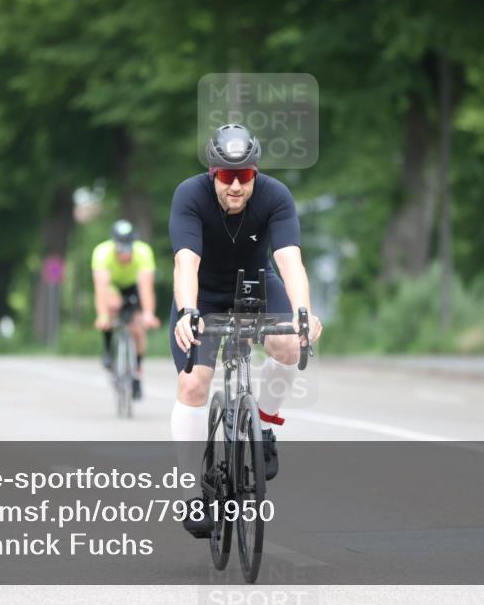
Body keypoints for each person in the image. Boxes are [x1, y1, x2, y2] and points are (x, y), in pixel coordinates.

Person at [168, 123, 323, 536]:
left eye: (245, 176)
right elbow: (186, 263)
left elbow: (290, 260)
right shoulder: (189, 195)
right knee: (193, 386)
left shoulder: (276, 196)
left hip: (255, 284)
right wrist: (187, 311)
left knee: (291, 345)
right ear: (211, 174)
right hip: (202, 294)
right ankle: (192, 497)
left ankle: (265, 424)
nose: (235, 186)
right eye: (225, 176)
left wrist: (304, 311)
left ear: (256, 172)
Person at [91, 220, 161, 399]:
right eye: (120, 248)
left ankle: (136, 374)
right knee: (112, 305)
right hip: (113, 285)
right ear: (114, 244)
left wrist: (148, 314)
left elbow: (146, 288)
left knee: (137, 328)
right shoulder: (102, 253)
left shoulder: (143, 252)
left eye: (128, 248)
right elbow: (101, 288)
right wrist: (102, 316)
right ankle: (108, 349)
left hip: (133, 286)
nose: (124, 254)